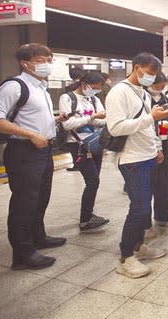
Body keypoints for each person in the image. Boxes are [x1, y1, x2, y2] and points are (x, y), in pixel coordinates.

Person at [0, 43, 69, 270]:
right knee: (24, 202)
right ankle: (22, 254)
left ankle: (38, 236)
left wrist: (54, 121)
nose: (47, 64)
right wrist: (30, 134)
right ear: (25, 63)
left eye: (49, 60)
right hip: (24, 151)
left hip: (43, 150)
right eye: (41, 60)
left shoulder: (41, 88)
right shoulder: (14, 86)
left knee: (40, 198)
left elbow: (30, 117)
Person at [106, 52, 168, 278]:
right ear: (136, 68)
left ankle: (138, 246)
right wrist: (150, 118)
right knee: (139, 209)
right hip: (131, 159)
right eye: (149, 73)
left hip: (147, 155)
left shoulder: (142, 93)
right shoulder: (119, 92)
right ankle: (126, 258)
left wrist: (157, 147)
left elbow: (148, 127)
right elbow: (116, 127)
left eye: (154, 75)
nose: (151, 78)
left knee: (145, 208)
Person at [59, 71, 109, 232]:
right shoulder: (67, 98)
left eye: (98, 89)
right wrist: (92, 117)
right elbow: (67, 125)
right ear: (83, 83)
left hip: (95, 143)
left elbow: (103, 120)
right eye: (93, 88)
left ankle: (88, 215)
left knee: (94, 181)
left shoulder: (93, 99)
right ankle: (85, 220)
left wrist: (99, 119)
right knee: (92, 181)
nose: (95, 91)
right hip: (78, 145)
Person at [147, 72, 168, 229]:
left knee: (165, 183)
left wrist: (165, 143)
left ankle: (163, 216)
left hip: (164, 145)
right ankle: (145, 224)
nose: (163, 87)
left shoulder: (164, 98)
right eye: (161, 84)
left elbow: (164, 125)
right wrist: (157, 147)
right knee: (149, 185)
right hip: (148, 146)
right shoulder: (144, 98)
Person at [65, 68, 86, 172]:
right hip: (84, 121)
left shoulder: (68, 89)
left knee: (74, 143)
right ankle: (80, 163)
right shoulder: (86, 89)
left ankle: (77, 164)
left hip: (75, 120)